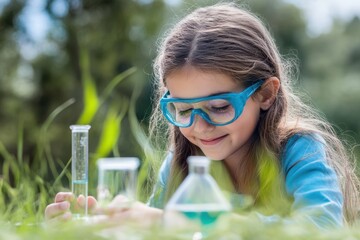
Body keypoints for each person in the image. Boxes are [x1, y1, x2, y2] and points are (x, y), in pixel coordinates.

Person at [45, 3, 360, 228]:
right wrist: (103, 225)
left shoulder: (299, 150)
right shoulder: (181, 163)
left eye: (219, 107)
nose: (199, 126)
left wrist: (181, 221)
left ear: (265, 94)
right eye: (182, 109)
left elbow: (320, 230)